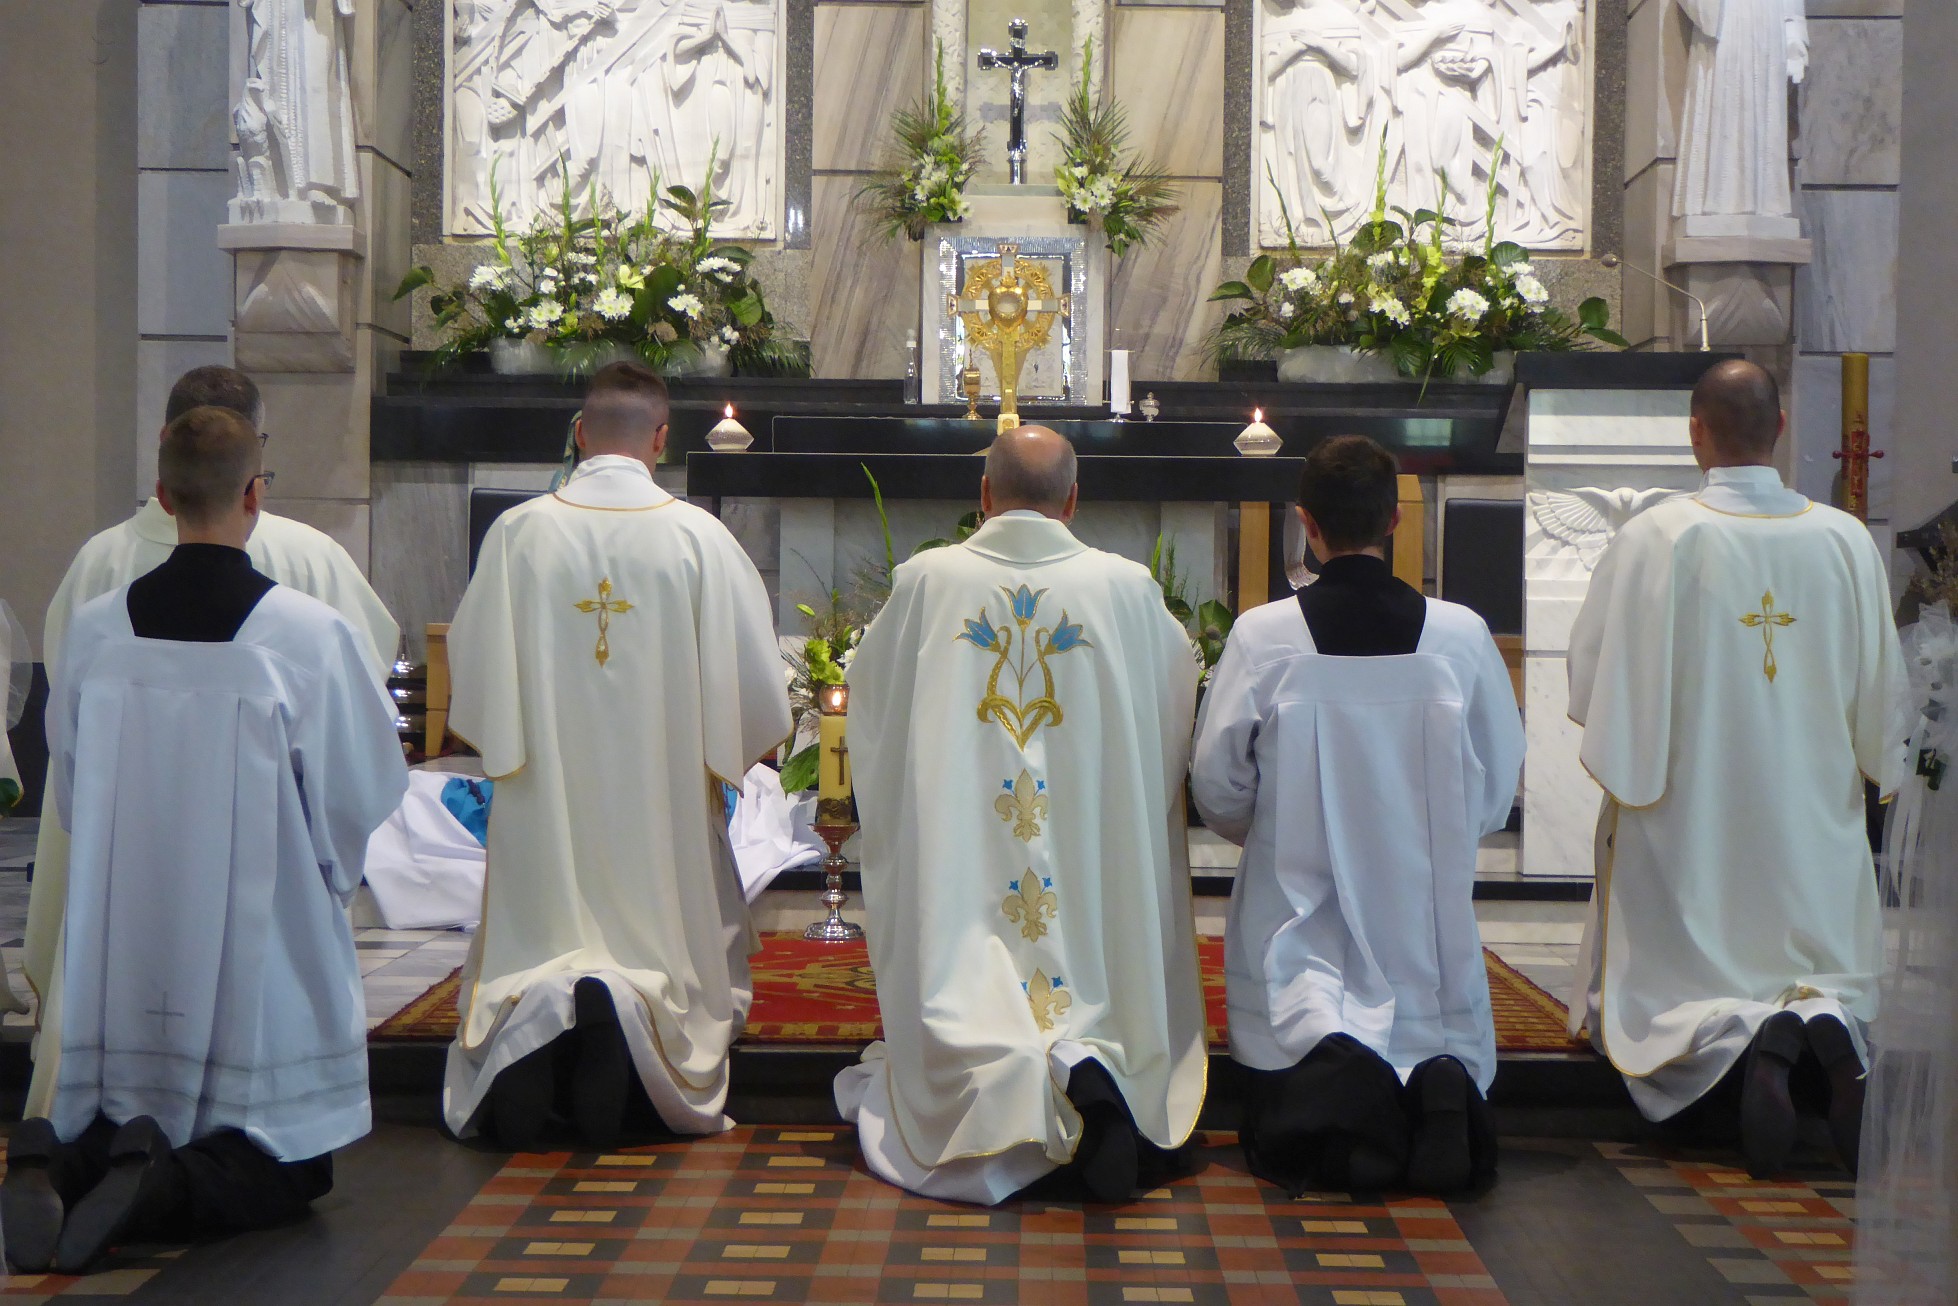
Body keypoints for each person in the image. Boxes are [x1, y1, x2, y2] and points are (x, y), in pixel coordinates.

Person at [1, 408, 406, 1275]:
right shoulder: (305, 633)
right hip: (256, 941)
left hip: (129, 930)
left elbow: (70, 786)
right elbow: (362, 787)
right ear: (254, 494)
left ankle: (55, 1159)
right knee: (284, 1160)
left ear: (162, 495)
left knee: (119, 1106)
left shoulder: (100, 629)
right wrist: (328, 877)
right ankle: (159, 1187)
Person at [835, 426, 1207, 1205]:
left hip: (964, 850)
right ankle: (1091, 1064)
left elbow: (871, 713)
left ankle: (1001, 1079)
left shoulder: (928, 582)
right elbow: (1174, 713)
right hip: (1085, 847)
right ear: (1073, 500)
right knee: (1090, 949)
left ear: (983, 496)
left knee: (965, 969)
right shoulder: (1126, 588)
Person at [1568, 358, 1910, 1178]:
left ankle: (1743, 1032)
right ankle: (1823, 1018)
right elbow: (1884, 706)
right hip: (1812, 830)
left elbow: (1593, 685)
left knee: (1676, 993)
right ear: (1781, 430)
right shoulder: (1845, 540)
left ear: (1696, 432)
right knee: (1821, 966)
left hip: (1695, 830)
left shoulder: (1656, 536)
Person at [442, 362, 789, 1150]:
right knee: (662, 928)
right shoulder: (699, 538)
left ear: (579, 433)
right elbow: (756, 693)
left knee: (542, 938)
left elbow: (475, 684)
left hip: (547, 805)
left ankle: (538, 1022)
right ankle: (632, 1027)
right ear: (661, 440)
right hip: (660, 814)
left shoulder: (519, 534)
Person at [1191, 435, 1524, 1196]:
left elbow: (1216, 783)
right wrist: (1437, 833)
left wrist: (1268, 831)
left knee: (1308, 1011)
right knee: (1428, 1015)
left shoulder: (1265, 637)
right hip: (1421, 916)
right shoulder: (1461, 636)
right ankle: (1435, 1077)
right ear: (1394, 521)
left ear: (1305, 523)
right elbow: (1496, 778)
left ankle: (1347, 1107)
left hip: (1298, 905)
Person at [15, 364, 399, 1025]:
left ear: (163, 479)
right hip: (266, 909)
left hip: (130, 893)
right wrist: (335, 870)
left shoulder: (98, 593)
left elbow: (69, 755)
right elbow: (358, 755)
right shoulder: (312, 586)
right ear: (254, 483)